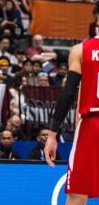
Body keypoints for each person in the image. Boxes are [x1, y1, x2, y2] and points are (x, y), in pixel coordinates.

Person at [45, 38, 99, 204]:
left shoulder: (81, 50)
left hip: (93, 125)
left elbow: (68, 93)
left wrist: (52, 134)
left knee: (77, 193)